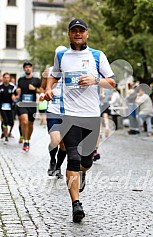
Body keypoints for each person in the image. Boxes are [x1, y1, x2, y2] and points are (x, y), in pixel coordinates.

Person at [44, 19, 116, 222]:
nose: (77, 34)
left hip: (91, 116)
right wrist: (49, 88)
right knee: (73, 158)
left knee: (86, 161)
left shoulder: (97, 56)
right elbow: (54, 75)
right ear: (68, 34)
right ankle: (76, 204)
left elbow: (112, 82)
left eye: (81, 31)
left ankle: (82, 173)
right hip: (69, 115)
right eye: (74, 31)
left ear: (87, 34)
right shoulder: (61, 55)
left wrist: (96, 80)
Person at [40, 46, 67, 178]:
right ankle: (52, 160)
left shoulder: (72, 71)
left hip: (68, 112)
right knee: (55, 140)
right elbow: (42, 88)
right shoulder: (49, 71)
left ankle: (58, 167)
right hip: (53, 110)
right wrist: (43, 94)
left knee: (64, 144)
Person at [16, 62, 41, 151]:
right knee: (24, 122)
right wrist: (17, 92)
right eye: (26, 67)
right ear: (24, 69)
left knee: (30, 124)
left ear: (32, 68)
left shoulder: (37, 80)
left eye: (29, 67)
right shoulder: (20, 80)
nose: (28, 69)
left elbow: (42, 90)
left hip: (32, 105)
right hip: (23, 104)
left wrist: (34, 89)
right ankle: (25, 142)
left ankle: (28, 140)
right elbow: (18, 90)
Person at [0, 73, 17, 143]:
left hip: (10, 106)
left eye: (8, 78)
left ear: (9, 78)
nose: (6, 79)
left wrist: (14, 98)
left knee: (11, 122)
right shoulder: (0, 86)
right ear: (3, 78)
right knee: (5, 121)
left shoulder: (12, 86)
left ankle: (7, 132)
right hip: (2, 106)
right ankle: (6, 137)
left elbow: (16, 95)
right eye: (5, 78)